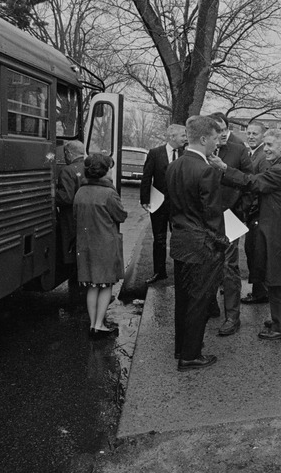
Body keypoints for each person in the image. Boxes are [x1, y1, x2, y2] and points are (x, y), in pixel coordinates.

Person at [211, 129, 281, 339]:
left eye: (270, 145)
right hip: (277, 232)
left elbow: (253, 182)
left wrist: (224, 168)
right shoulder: (280, 166)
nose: (266, 148)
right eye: (266, 144)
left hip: (279, 234)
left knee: (278, 280)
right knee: (275, 278)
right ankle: (279, 318)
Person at [166, 116, 226, 371]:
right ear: (203, 139)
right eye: (214, 138)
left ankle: (182, 347)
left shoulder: (174, 166)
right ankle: (190, 355)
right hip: (201, 244)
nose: (217, 142)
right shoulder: (206, 171)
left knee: (183, 298)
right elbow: (212, 215)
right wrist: (221, 242)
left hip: (180, 240)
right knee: (200, 300)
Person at [73, 154, 128, 339]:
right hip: (105, 245)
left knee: (92, 286)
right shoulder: (109, 193)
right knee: (105, 285)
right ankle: (99, 325)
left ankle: (92, 324)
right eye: (110, 167)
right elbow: (120, 216)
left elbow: (75, 216)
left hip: (85, 245)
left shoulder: (80, 192)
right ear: (104, 171)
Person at [209, 112, 253, 336]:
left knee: (229, 265)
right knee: (208, 262)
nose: (223, 132)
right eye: (218, 129)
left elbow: (249, 181)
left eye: (225, 128)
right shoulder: (203, 152)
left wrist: (240, 209)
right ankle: (210, 306)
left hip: (230, 216)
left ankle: (232, 317)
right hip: (207, 217)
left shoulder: (238, 150)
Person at [140, 124, 187, 284]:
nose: (185, 138)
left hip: (178, 206)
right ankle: (159, 272)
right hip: (159, 204)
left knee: (179, 239)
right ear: (172, 137)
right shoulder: (155, 153)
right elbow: (146, 177)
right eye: (182, 135)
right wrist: (144, 199)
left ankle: (180, 273)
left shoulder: (186, 154)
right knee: (159, 239)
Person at [240, 121, 271, 305]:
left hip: (258, 214)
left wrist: (250, 209)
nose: (251, 136)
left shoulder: (263, 157)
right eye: (249, 133)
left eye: (255, 134)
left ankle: (261, 293)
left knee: (257, 254)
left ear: (263, 136)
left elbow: (261, 187)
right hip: (252, 213)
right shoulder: (253, 154)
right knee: (252, 252)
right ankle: (259, 291)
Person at [56, 140, 86, 299]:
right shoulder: (89, 167)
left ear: (69, 154)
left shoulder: (67, 171)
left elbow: (66, 197)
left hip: (71, 221)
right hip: (87, 221)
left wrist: (53, 195)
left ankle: (76, 298)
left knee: (73, 260)